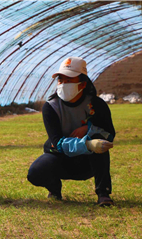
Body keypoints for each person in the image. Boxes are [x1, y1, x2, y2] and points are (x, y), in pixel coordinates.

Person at [27, 57, 115, 206]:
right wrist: (87, 144)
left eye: (69, 80)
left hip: (87, 162)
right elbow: (57, 142)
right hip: (61, 158)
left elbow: (109, 135)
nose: (63, 84)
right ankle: (54, 189)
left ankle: (103, 193)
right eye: (60, 80)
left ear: (82, 84)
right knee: (35, 172)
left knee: (100, 143)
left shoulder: (97, 105)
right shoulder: (51, 107)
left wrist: (89, 129)